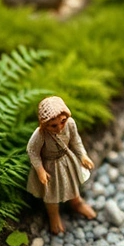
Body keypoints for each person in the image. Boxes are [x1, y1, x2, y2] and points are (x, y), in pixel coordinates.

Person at [27, 96, 96, 234]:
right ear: (44, 124)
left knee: (71, 182)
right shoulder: (40, 134)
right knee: (51, 192)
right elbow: (32, 151)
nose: (59, 127)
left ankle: (77, 203)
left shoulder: (70, 124)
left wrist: (83, 155)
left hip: (66, 160)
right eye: (53, 125)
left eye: (62, 122)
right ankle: (53, 215)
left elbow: (76, 141)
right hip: (50, 165)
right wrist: (40, 169)